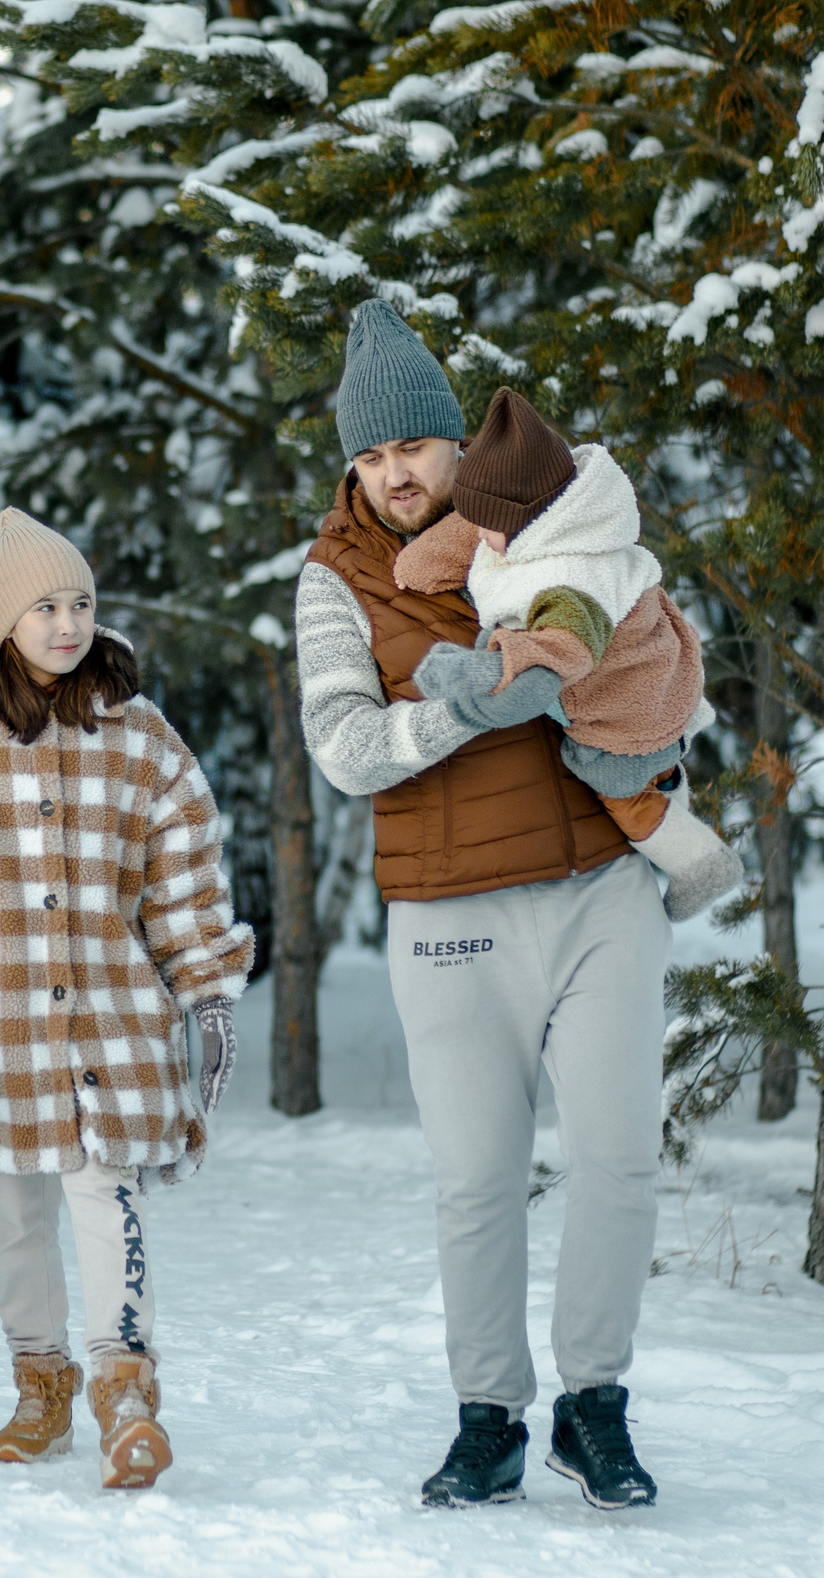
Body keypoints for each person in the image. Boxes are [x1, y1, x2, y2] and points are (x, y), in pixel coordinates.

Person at [292, 299, 676, 1510]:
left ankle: (593, 1406)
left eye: (411, 446)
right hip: (447, 911)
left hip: (597, 886)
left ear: (456, 440)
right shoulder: (334, 578)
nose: (394, 474)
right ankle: (488, 1419)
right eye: (370, 456)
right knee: (475, 1180)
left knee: (617, 1160)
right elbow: (343, 748)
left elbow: (647, 650)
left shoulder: (558, 515)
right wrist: (467, 707)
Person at [0, 507, 252, 1491]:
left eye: (80, 602)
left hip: (113, 1027)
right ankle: (40, 1385)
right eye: (46, 607)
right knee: (20, 1217)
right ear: (5, 619)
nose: (69, 623)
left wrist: (207, 991)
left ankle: (126, 1392)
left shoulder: (138, 736)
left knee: (106, 1194)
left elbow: (184, 876)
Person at [395, 385, 742, 920]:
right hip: (662, 675)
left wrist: (482, 672)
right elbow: (462, 539)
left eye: (485, 524)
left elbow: (558, 653)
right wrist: (417, 564)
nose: (477, 535)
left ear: (520, 521)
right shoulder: (548, 512)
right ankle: (670, 787)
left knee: (621, 792)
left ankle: (701, 864)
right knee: (656, 770)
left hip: (628, 708)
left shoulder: (571, 584)